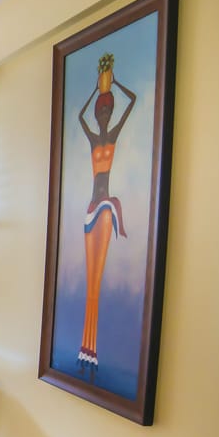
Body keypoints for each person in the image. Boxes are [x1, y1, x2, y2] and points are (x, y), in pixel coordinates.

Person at [75, 53, 136, 377]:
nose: (103, 113)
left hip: (106, 207)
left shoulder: (112, 136)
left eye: (107, 109)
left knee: (97, 279)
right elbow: (80, 117)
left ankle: (93, 352)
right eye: (102, 109)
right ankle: (85, 349)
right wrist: (94, 90)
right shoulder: (93, 137)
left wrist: (114, 82)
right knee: (90, 284)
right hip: (89, 209)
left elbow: (134, 101)